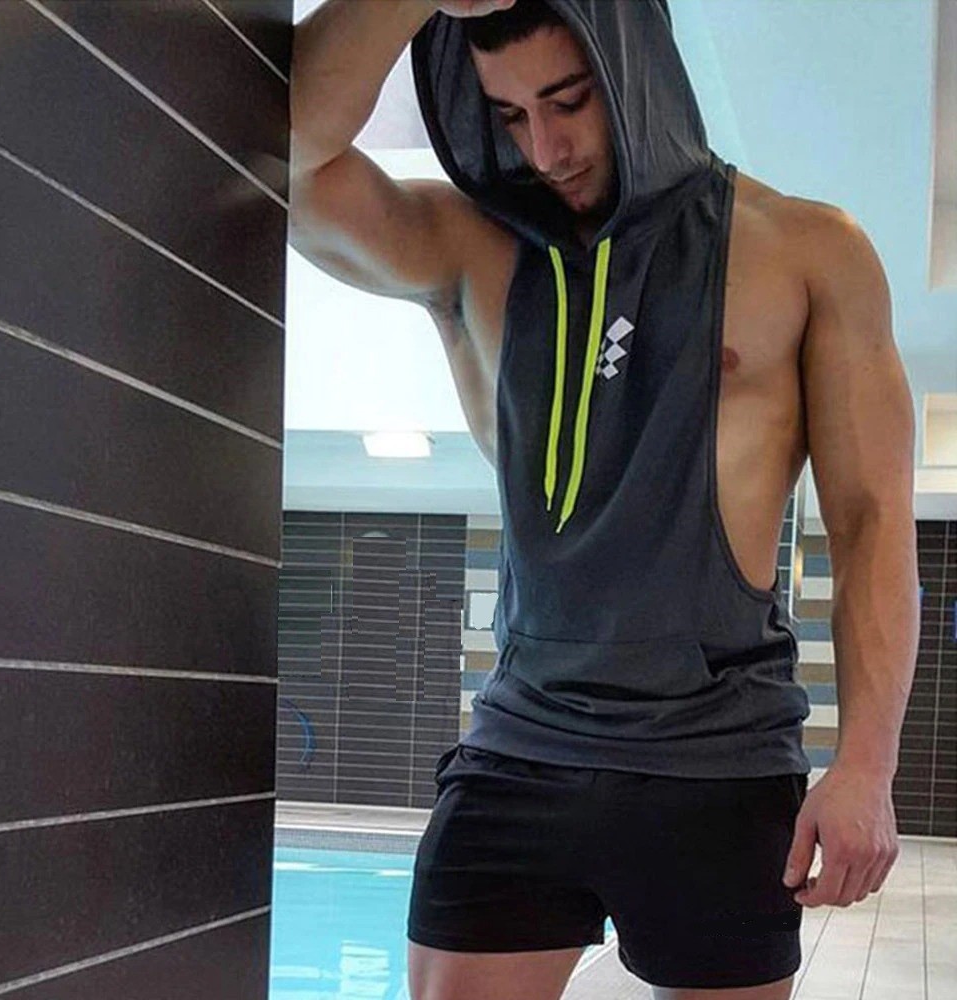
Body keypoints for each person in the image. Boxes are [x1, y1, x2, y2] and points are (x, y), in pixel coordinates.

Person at [289, 1, 919, 997]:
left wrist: (867, 768)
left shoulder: (808, 251)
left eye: (569, 100)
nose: (544, 149)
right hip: (519, 749)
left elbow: (872, 522)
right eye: (509, 116)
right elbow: (285, 158)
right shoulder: (472, 246)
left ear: (635, 70)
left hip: (718, 764)